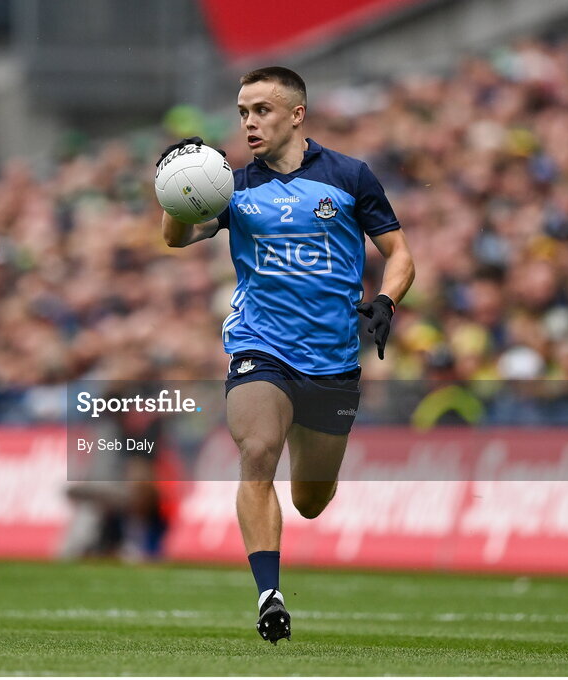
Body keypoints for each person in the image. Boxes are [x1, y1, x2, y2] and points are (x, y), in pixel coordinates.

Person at [159, 67, 414, 644]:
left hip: (332, 360)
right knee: (257, 452)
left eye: (263, 111)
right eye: (243, 111)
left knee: (311, 500)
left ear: (297, 114)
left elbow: (400, 253)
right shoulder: (229, 185)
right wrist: (176, 190)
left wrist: (386, 301)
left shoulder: (350, 176)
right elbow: (177, 237)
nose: (249, 121)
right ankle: (269, 594)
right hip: (260, 346)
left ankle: (302, 493)